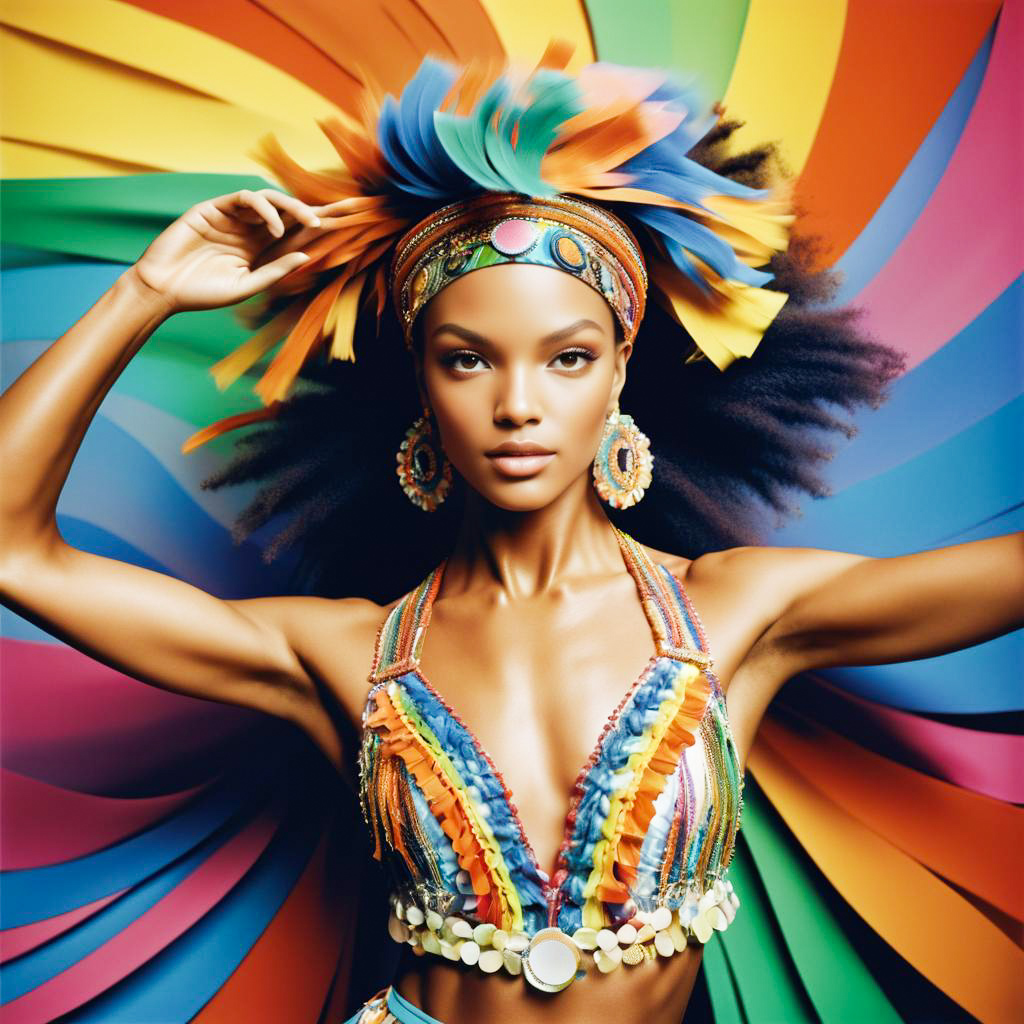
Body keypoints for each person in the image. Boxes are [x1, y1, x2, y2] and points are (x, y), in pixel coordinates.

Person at [1, 53, 1021, 1024]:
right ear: (422, 383)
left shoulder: (738, 611)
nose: (518, 405)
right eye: (468, 360)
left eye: (567, 358)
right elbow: (15, 551)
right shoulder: (340, 653)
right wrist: (149, 290)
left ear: (620, 371)